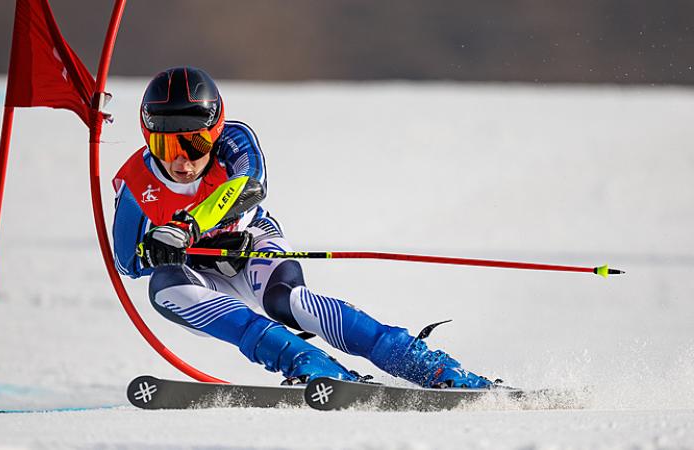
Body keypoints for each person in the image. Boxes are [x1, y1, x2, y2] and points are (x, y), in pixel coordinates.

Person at [112, 66, 492, 388]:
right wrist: (156, 248)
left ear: (214, 131)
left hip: (251, 247)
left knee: (288, 302)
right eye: (165, 145)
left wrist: (188, 227)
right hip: (201, 279)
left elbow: (249, 186)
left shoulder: (234, 140)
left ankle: (428, 366)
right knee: (164, 289)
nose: (181, 160)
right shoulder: (134, 182)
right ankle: (309, 365)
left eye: (194, 144)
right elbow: (128, 263)